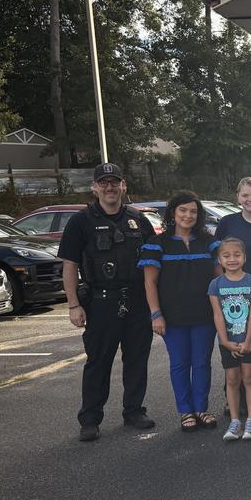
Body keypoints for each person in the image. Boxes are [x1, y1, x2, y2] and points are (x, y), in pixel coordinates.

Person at [59, 163, 156, 442]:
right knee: (98, 363)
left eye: (114, 182)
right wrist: (73, 305)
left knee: (137, 360)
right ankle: (90, 419)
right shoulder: (81, 221)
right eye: (104, 183)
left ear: (123, 185)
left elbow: (154, 263)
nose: (110, 187)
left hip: (137, 301)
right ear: (95, 187)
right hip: (100, 303)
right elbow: (69, 265)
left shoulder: (138, 219)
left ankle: (134, 411)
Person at [140, 191, 219, 432]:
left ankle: (201, 409)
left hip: (205, 314)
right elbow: (150, 283)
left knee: (202, 363)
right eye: (183, 210)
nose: (188, 215)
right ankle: (186, 411)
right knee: (180, 364)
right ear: (173, 213)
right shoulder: (157, 244)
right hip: (172, 317)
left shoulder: (209, 242)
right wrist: (156, 314)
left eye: (193, 211)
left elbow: (219, 280)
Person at [208, 238, 251, 442]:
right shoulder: (216, 284)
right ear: (220, 260)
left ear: (244, 257)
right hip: (228, 342)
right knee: (232, 380)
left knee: (249, 379)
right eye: (227, 256)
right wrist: (224, 341)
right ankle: (235, 421)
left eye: (237, 255)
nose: (232, 259)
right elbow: (218, 315)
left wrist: (248, 341)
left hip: (249, 340)